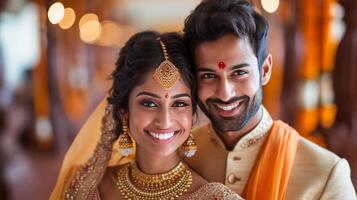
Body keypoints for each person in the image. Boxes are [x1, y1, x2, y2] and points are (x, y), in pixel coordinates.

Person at [181, 0, 357, 199]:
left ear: (265, 70)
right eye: (209, 76)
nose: (225, 93)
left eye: (239, 73)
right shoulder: (176, 156)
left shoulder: (325, 175)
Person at [50, 31, 243, 199]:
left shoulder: (215, 198)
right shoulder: (86, 186)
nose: (165, 120)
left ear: (193, 114)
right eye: (149, 103)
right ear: (124, 112)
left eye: (179, 104)